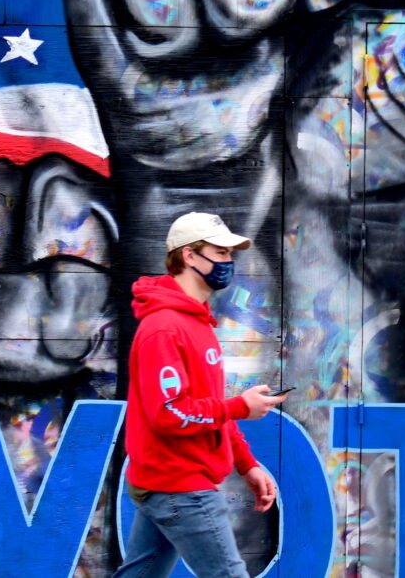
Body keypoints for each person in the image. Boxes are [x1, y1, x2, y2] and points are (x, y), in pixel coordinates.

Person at [114, 212, 290, 578]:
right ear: (189, 256)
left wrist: (247, 464)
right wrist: (241, 406)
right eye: (220, 252)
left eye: (230, 254)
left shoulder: (196, 322)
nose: (229, 262)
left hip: (169, 480)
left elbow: (210, 410)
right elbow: (170, 414)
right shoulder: (164, 328)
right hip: (179, 485)